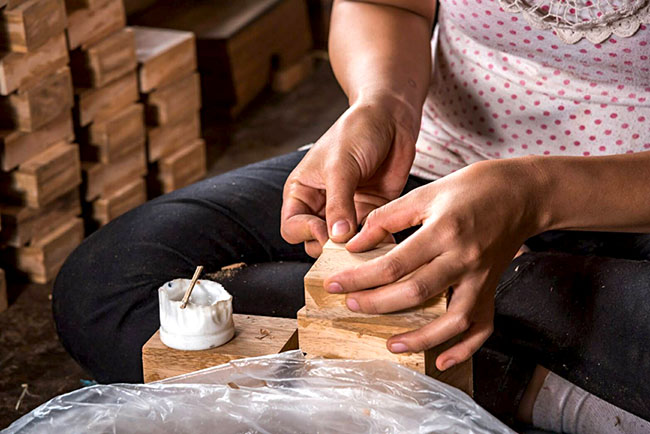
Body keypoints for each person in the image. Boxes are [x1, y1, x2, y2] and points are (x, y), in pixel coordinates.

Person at [53, 0, 650, 431]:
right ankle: (533, 376)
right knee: (113, 287)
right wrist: (384, 102)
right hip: (431, 165)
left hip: (625, 204)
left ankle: (475, 353)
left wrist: (534, 194)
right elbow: (388, 5)